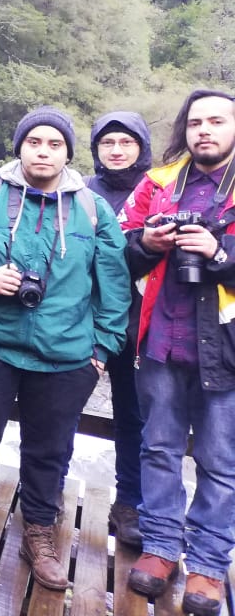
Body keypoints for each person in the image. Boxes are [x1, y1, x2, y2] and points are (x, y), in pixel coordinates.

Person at [0, 106, 129, 591]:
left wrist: (102, 350)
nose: (43, 151)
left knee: (51, 446)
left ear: (67, 153)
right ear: (19, 147)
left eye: (54, 144)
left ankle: (39, 529)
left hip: (66, 354)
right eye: (34, 142)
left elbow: (115, 285)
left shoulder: (92, 210)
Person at [119, 90, 235, 616]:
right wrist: (149, 245)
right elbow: (119, 250)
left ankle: (208, 566)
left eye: (216, 121)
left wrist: (220, 253)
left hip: (226, 349)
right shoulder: (158, 183)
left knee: (221, 461)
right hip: (162, 340)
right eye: (195, 122)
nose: (204, 130)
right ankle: (162, 547)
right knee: (158, 449)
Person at [85, 111, 152, 549]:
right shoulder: (81, 190)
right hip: (83, 319)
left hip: (140, 323)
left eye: (126, 142)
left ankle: (130, 503)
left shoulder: (159, 192)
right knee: (61, 409)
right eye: (107, 142)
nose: (116, 150)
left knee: (134, 417)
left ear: (141, 148)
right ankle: (48, 491)